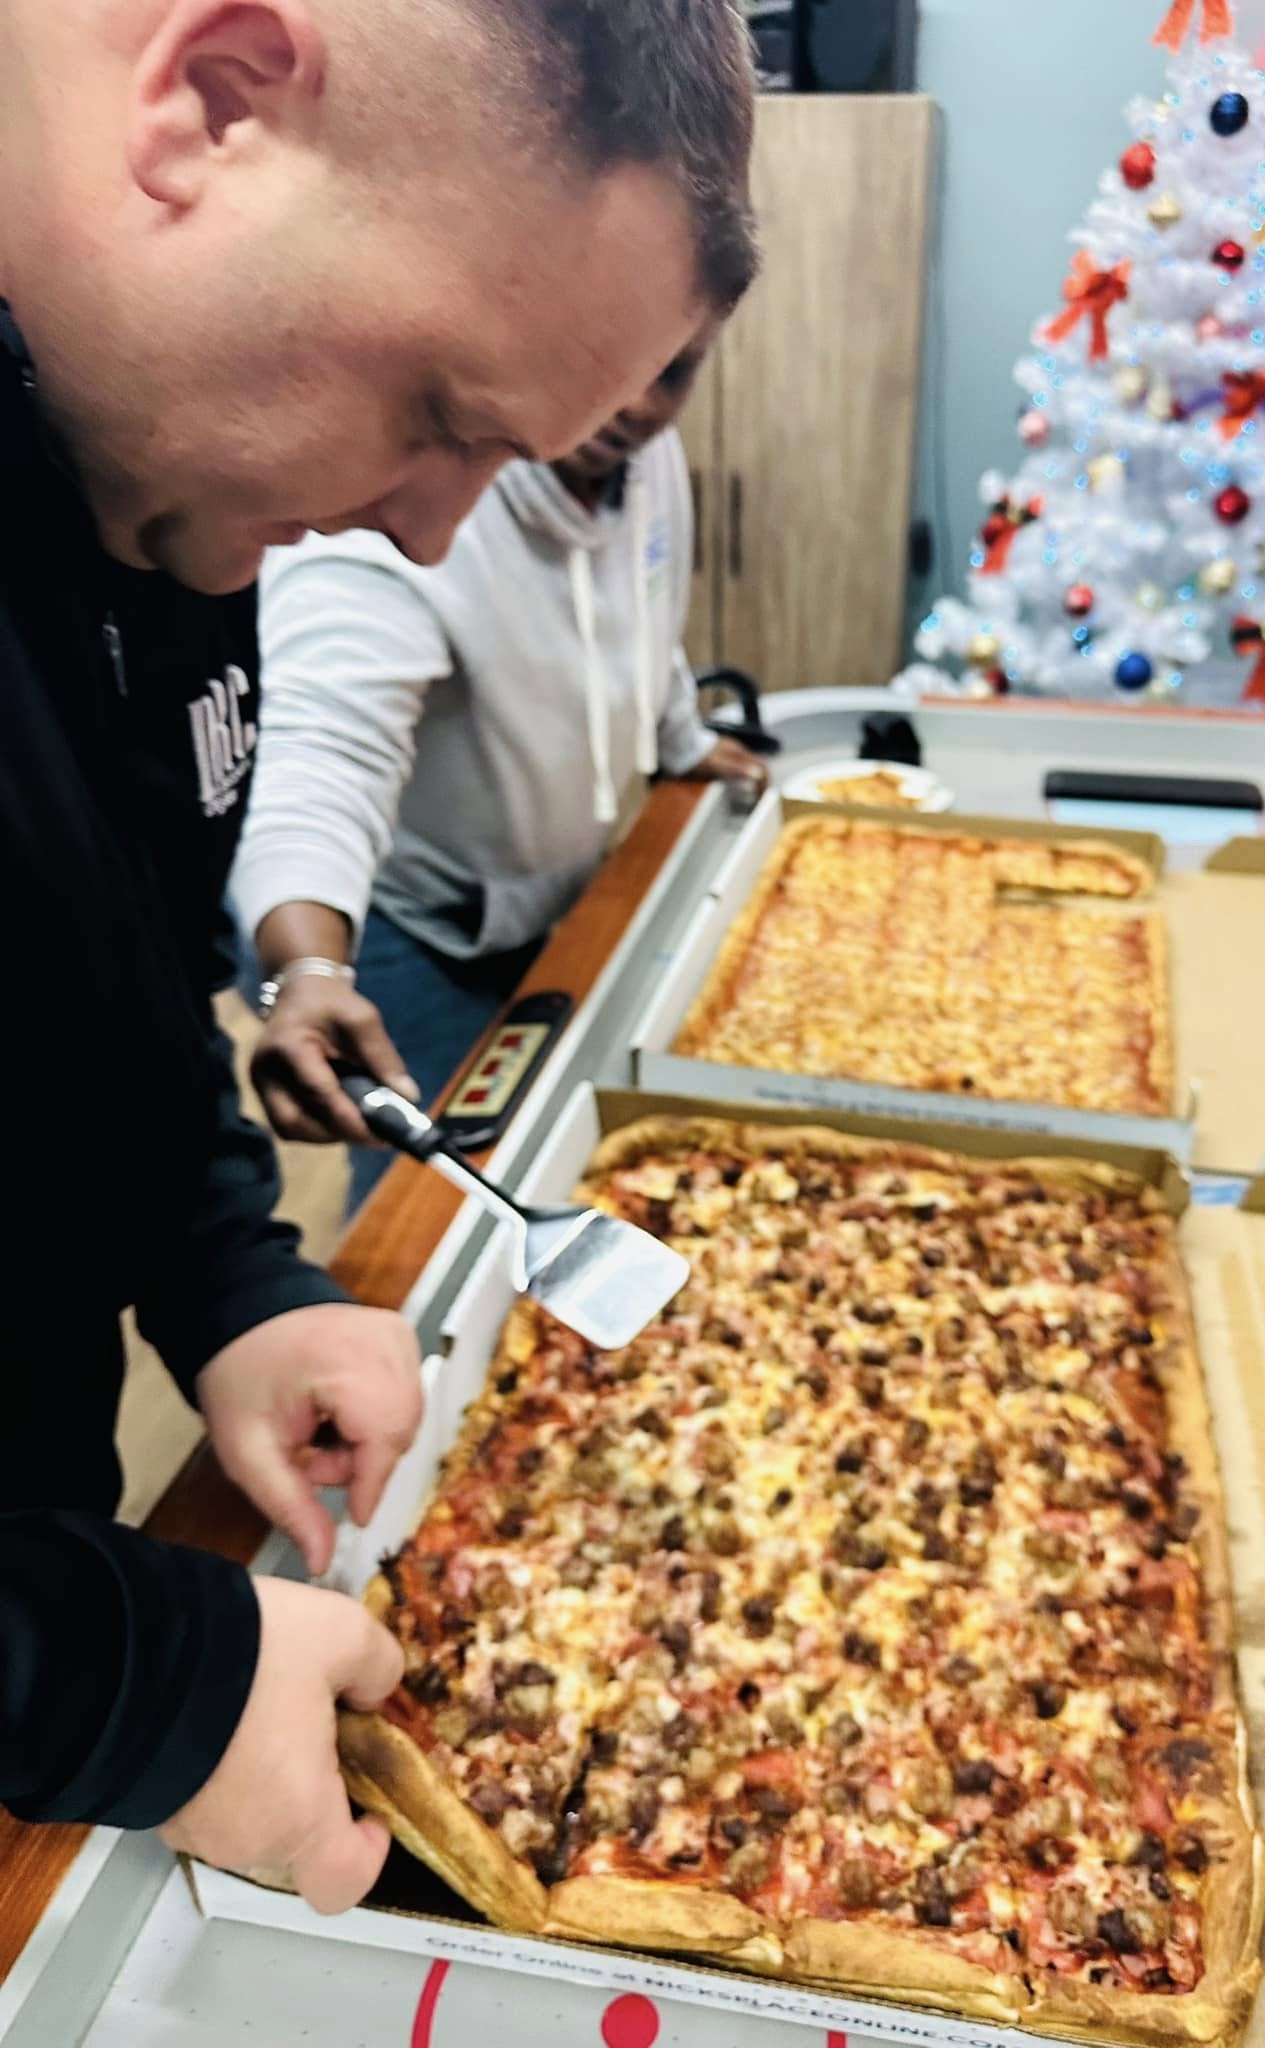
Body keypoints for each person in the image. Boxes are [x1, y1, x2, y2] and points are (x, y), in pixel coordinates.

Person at [0, 0, 756, 1915]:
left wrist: (229, 1275)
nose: (426, 533)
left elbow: (110, 991)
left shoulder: (155, 492)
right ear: (212, 104)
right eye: (439, 412)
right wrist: (128, 1681)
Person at [232, 346, 767, 1208]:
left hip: (553, 896)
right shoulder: (399, 498)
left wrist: (680, 734)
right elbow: (322, 754)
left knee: (541, 1139)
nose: (638, 405)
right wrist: (309, 971)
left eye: (671, 375)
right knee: (436, 1198)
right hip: (410, 926)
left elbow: (644, 604)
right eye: (612, 365)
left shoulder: (647, 460)